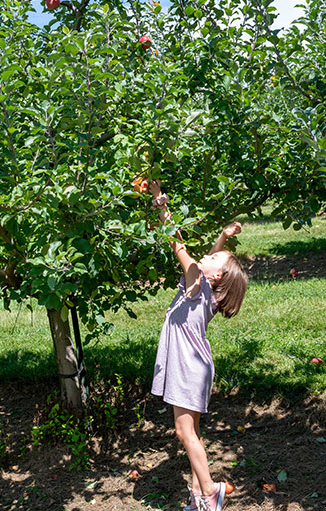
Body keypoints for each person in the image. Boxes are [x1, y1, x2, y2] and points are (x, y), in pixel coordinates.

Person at [149, 180, 248, 511]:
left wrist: (159, 202)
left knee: (182, 432)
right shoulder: (208, 289)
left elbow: (177, 244)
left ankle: (210, 489)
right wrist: (223, 236)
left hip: (188, 366)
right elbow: (213, 263)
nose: (206, 253)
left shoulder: (196, 281)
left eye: (213, 255)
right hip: (196, 365)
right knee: (192, 434)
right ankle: (200, 502)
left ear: (215, 276)